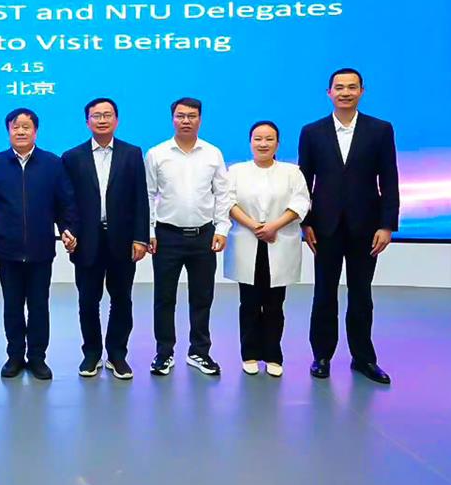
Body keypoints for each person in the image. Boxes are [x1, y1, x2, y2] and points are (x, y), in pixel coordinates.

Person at [298, 68, 399, 385]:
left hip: (366, 228)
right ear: (329, 92)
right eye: (339, 87)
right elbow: (304, 182)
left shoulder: (380, 130)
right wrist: (305, 222)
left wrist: (387, 225)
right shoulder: (312, 132)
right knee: (324, 293)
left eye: (352, 87)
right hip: (324, 228)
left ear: (362, 91)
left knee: (361, 294)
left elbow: (389, 179)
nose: (345, 92)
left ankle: (364, 358)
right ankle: (322, 356)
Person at [0, 108, 78, 381]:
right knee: (12, 306)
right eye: (16, 127)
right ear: (8, 131)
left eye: (27, 127)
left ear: (35, 131)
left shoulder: (52, 163)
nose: (21, 131)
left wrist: (68, 229)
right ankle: (15, 356)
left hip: (40, 249)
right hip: (7, 249)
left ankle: (37, 358)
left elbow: (65, 202)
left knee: (39, 305)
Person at [61, 98, 149, 379]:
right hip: (86, 241)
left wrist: (141, 238)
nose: (102, 120)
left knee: (121, 299)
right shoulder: (72, 157)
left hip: (122, 240)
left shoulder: (132, 153)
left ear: (116, 120)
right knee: (88, 300)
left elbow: (140, 198)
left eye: (107, 115)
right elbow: (66, 201)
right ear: (87, 121)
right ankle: (91, 353)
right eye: (96, 115)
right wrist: (68, 231)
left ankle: (117, 354)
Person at [144, 97, 232, 377]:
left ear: (200, 119)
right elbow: (148, 194)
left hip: (204, 236)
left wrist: (222, 229)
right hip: (166, 236)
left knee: (202, 297)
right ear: (172, 119)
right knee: (164, 298)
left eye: (191, 116)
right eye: (180, 116)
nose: (186, 121)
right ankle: (164, 353)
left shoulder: (212, 153)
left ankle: (199, 352)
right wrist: (149, 231)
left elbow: (223, 194)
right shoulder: (157, 153)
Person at [225, 121, 311, 378]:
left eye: (269, 139)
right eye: (258, 139)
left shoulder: (292, 172)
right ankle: (249, 354)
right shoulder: (236, 171)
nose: (263, 144)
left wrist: (274, 226)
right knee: (249, 303)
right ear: (250, 142)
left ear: (278, 143)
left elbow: (301, 202)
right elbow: (228, 201)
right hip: (247, 241)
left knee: (275, 304)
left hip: (279, 241)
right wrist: (254, 226)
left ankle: (273, 355)